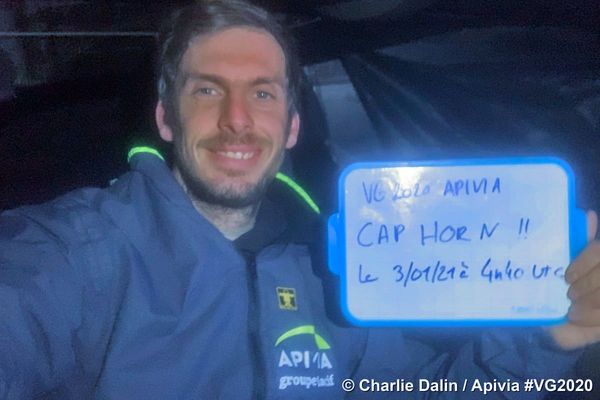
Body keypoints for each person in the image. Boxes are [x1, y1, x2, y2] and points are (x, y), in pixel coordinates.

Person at [1, 1, 599, 398]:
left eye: (262, 94)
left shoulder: (331, 276)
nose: (237, 120)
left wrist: (551, 340)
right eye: (208, 90)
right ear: (166, 117)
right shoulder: (77, 258)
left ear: (289, 126)